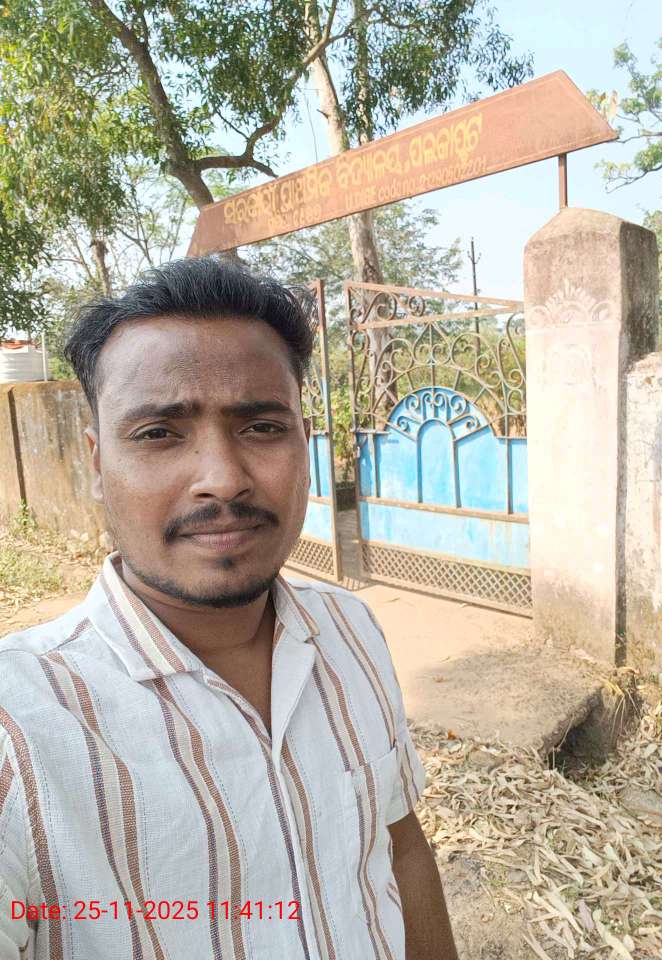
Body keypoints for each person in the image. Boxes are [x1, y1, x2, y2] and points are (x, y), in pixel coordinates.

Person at [0, 258, 458, 960]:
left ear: (305, 442)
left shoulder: (352, 630)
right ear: (96, 463)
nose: (222, 479)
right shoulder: (18, 731)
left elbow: (398, 848)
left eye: (262, 427)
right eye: (159, 433)